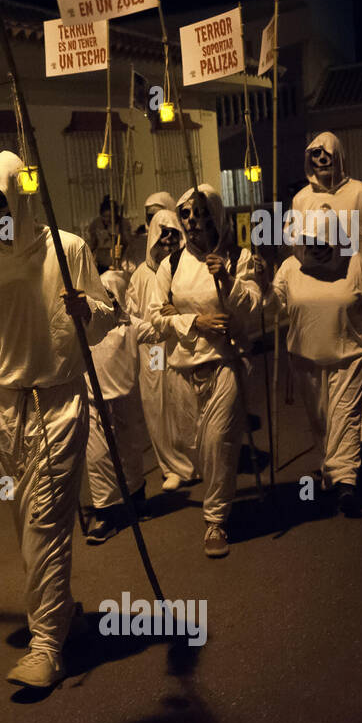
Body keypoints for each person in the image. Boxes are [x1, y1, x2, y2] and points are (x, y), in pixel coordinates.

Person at [0, 151, 115, 687]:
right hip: (4, 407)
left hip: (57, 401)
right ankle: (60, 611)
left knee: (46, 520)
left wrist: (87, 312)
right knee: (26, 520)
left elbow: (108, 315)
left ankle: (46, 644)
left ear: (19, 198)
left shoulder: (67, 249)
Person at [147, 185, 261, 558]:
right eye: (187, 215)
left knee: (218, 443)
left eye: (201, 213)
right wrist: (195, 322)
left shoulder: (238, 257)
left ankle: (215, 520)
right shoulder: (172, 264)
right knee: (197, 448)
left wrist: (228, 280)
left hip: (227, 363)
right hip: (184, 366)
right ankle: (219, 497)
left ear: (215, 214)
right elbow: (152, 320)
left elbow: (251, 311)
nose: (194, 221)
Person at [262, 231, 362, 517]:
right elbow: (272, 305)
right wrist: (262, 284)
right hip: (305, 358)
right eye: (312, 243)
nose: (318, 249)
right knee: (321, 419)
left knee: (345, 417)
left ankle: (346, 480)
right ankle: (330, 466)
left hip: (350, 356)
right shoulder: (289, 268)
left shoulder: (357, 265)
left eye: (324, 242)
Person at [288, 133, 362, 454]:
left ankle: (359, 427)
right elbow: (296, 245)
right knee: (328, 358)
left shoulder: (360, 193)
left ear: (338, 157)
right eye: (316, 155)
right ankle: (334, 428)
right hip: (318, 289)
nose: (322, 160)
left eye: (327, 155)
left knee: (359, 352)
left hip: (357, 285)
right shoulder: (301, 200)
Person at [127, 209, 198, 492]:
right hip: (154, 349)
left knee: (185, 403)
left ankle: (191, 459)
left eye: (173, 234)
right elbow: (132, 315)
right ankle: (171, 466)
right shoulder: (140, 276)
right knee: (157, 406)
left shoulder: (186, 269)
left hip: (182, 343)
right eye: (163, 233)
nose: (168, 240)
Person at [83, 270, 151, 543]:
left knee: (130, 450)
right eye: (102, 294)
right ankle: (106, 514)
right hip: (93, 402)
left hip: (126, 397)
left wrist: (189, 320)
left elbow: (161, 328)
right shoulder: (85, 326)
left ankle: (136, 497)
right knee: (97, 457)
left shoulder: (131, 325)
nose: (107, 299)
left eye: (112, 294)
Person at [86, 195, 134, 273]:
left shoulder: (123, 223)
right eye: (105, 216)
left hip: (120, 263)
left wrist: (116, 235)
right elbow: (92, 244)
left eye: (110, 216)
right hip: (101, 265)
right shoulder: (96, 224)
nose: (107, 219)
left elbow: (129, 242)